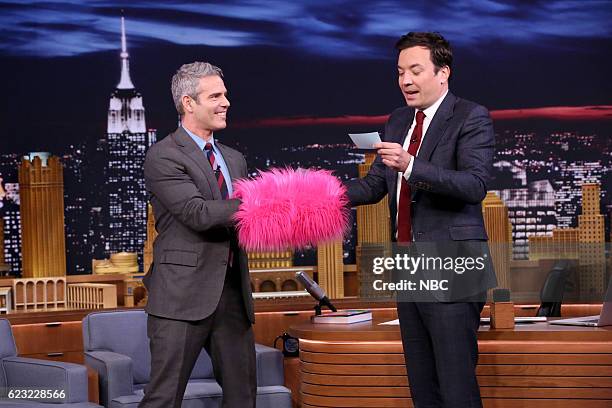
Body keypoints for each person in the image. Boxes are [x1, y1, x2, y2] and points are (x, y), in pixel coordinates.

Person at [345, 32, 495, 407]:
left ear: (443, 72)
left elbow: (474, 185)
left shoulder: (470, 116)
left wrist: (412, 166)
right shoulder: (398, 121)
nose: (405, 81)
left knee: (455, 386)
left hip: (453, 264)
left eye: (415, 70)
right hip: (409, 265)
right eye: (399, 73)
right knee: (422, 386)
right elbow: (374, 187)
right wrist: (314, 193)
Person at [140, 62, 256, 408]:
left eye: (226, 94)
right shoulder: (163, 155)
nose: (226, 103)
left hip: (233, 294)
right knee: (163, 398)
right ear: (188, 103)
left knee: (242, 398)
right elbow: (197, 213)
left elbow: (241, 222)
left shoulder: (234, 159)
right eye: (215, 96)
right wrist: (260, 201)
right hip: (181, 296)